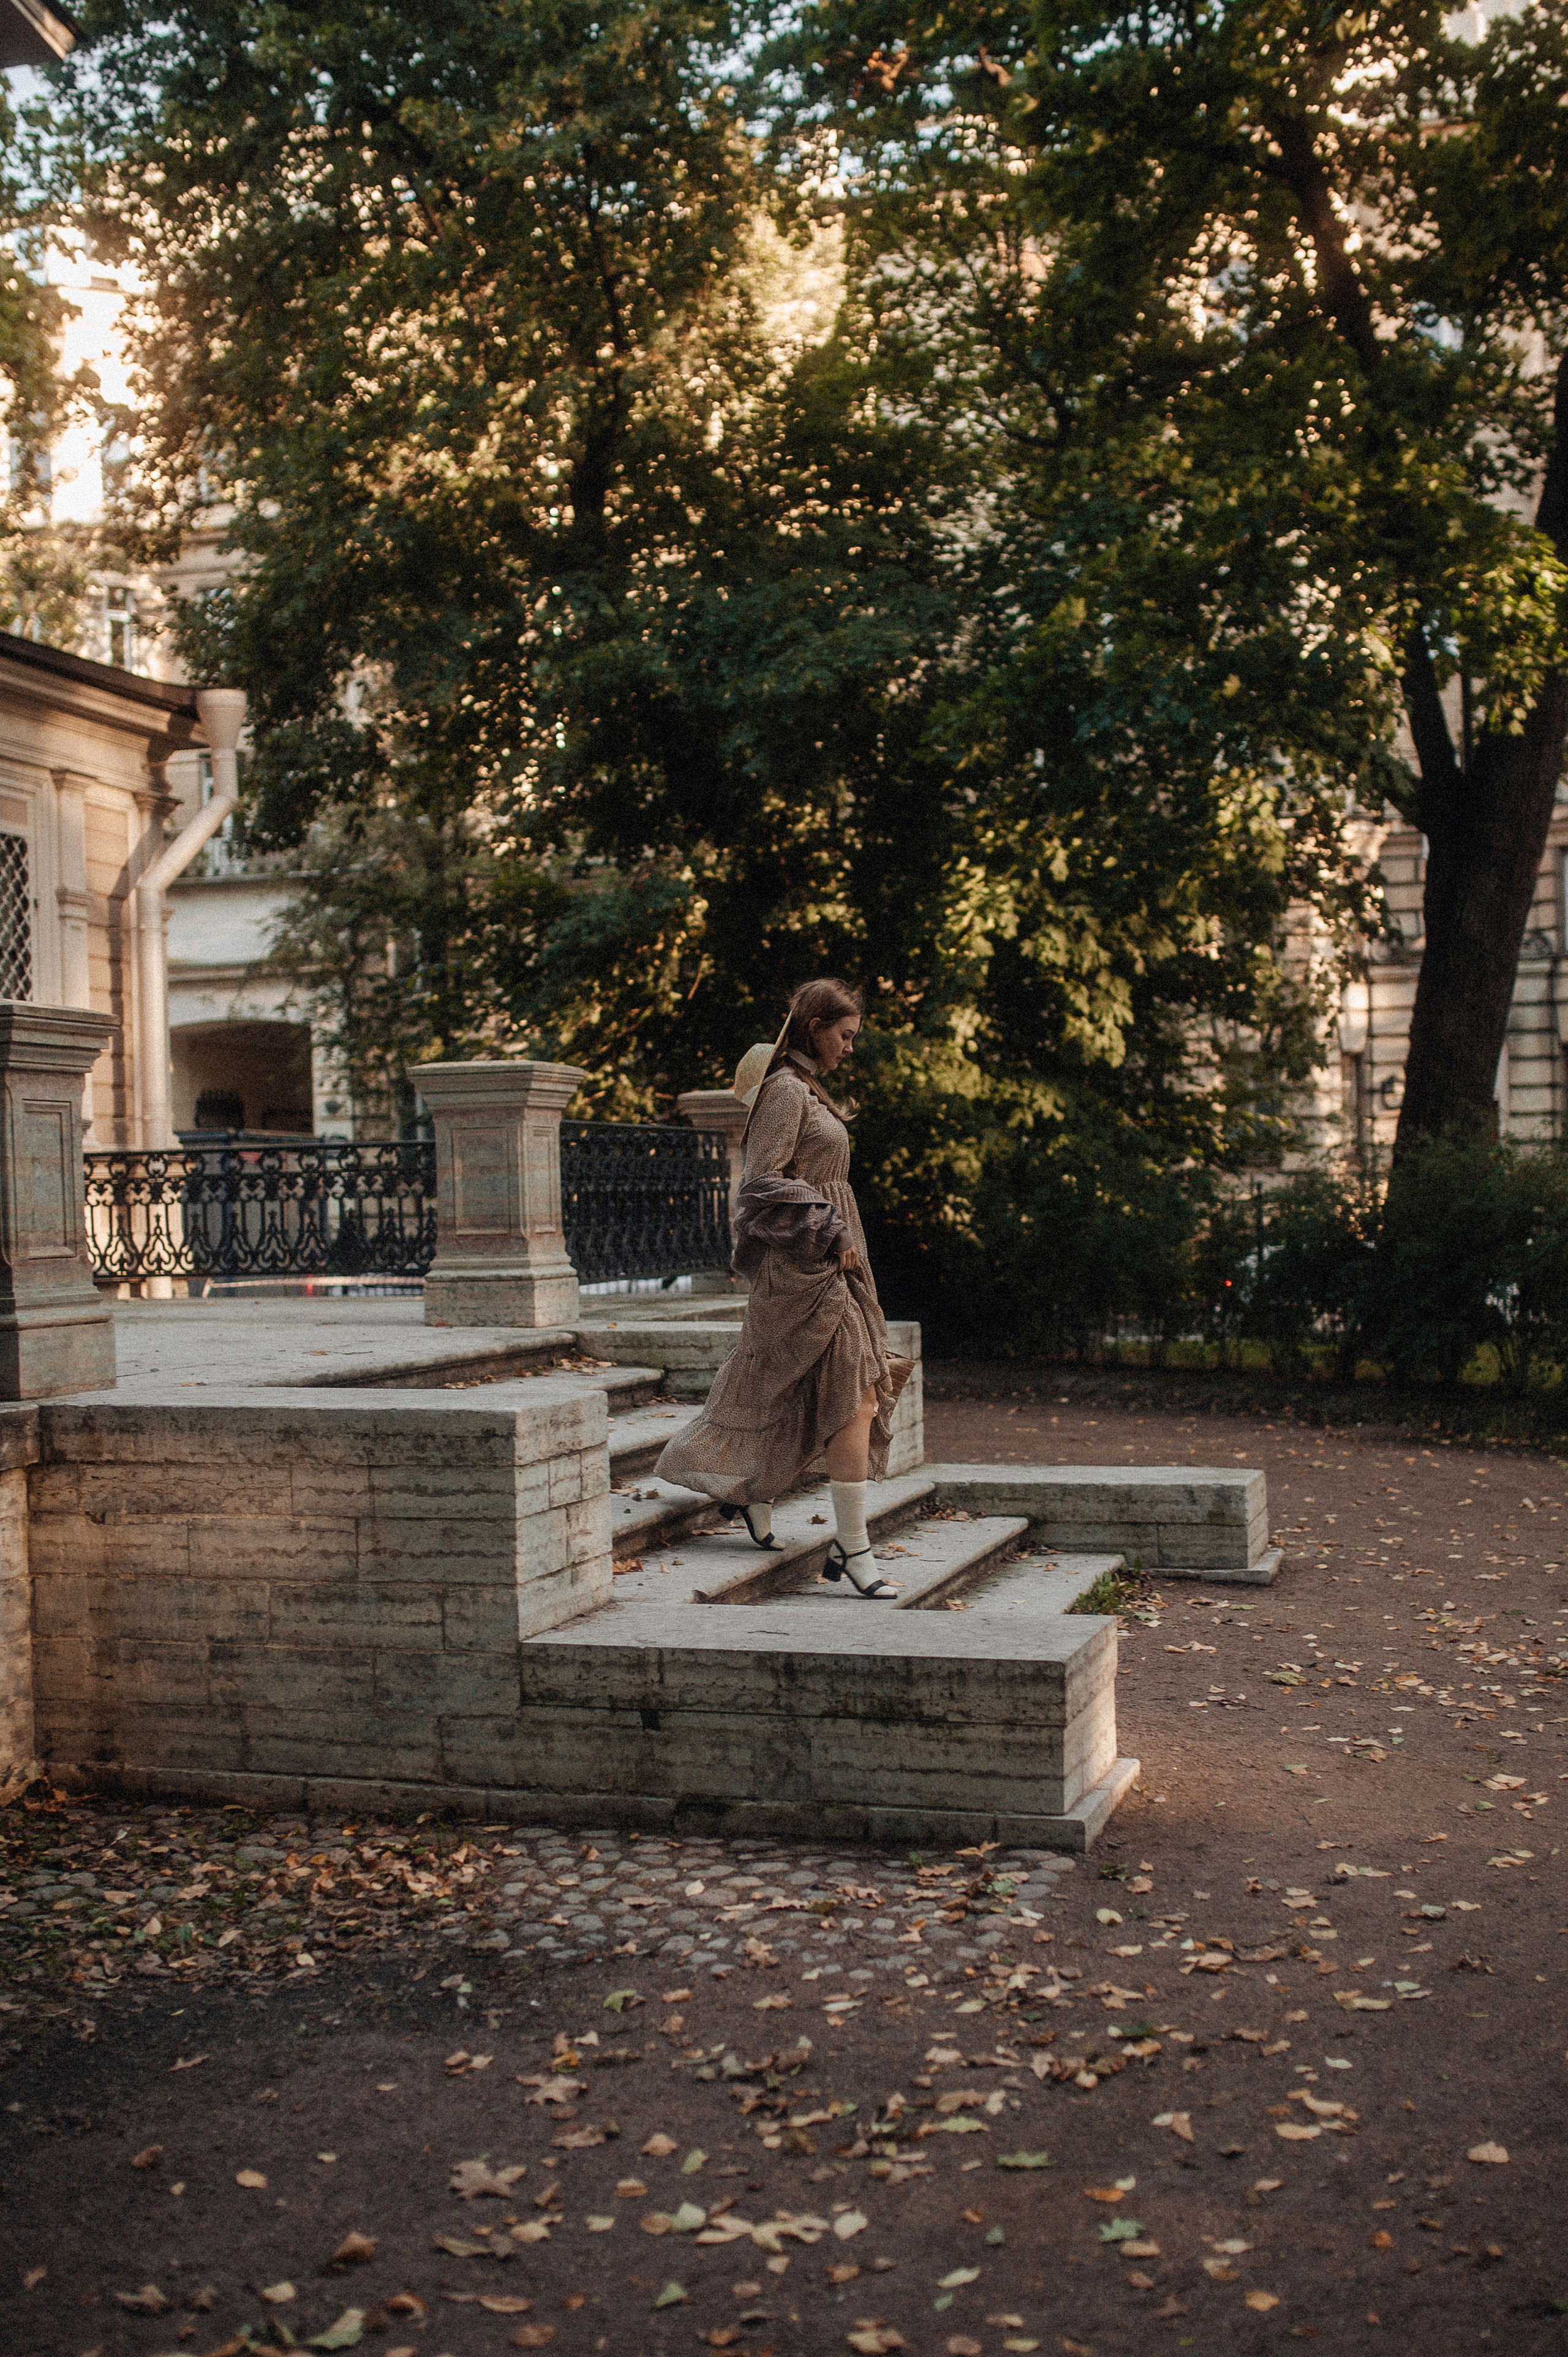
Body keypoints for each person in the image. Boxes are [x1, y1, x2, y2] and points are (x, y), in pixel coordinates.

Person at [655, 978, 913, 1596]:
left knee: (826, 1392)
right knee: (855, 1395)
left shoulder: (810, 1091)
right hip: (805, 1264)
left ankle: (768, 1501)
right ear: (814, 1026)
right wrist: (829, 1226)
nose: (849, 1047)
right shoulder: (784, 1090)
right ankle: (852, 1547)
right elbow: (759, 1182)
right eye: (844, 1035)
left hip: (831, 1261)